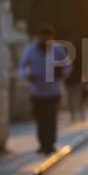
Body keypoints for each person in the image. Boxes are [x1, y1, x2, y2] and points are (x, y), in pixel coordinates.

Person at [19, 24, 71, 155]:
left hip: (53, 91)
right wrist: (28, 76)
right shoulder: (31, 50)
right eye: (43, 37)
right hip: (37, 91)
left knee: (51, 119)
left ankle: (50, 144)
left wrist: (61, 75)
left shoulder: (58, 50)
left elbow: (67, 66)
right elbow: (22, 66)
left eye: (48, 38)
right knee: (40, 119)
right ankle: (42, 144)